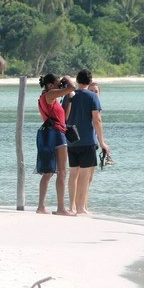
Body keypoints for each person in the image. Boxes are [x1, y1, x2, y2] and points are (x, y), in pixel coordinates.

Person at [66, 70, 110, 215]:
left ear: (77, 80)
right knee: (85, 175)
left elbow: (64, 116)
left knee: (73, 174)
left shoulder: (69, 96)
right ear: (90, 81)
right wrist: (102, 142)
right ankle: (81, 208)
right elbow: (97, 120)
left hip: (71, 140)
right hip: (87, 141)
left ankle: (72, 207)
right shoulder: (92, 96)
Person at [36, 74, 76, 215]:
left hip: (49, 134)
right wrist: (67, 78)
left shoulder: (46, 97)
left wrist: (69, 100)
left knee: (48, 173)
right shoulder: (51, 94)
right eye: (58, 83)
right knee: (62, 172)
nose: (61, 85)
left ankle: (41, 206)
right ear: (51, 85)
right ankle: (61, 208)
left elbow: (63, 118)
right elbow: (73, 87)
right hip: (57, 135)